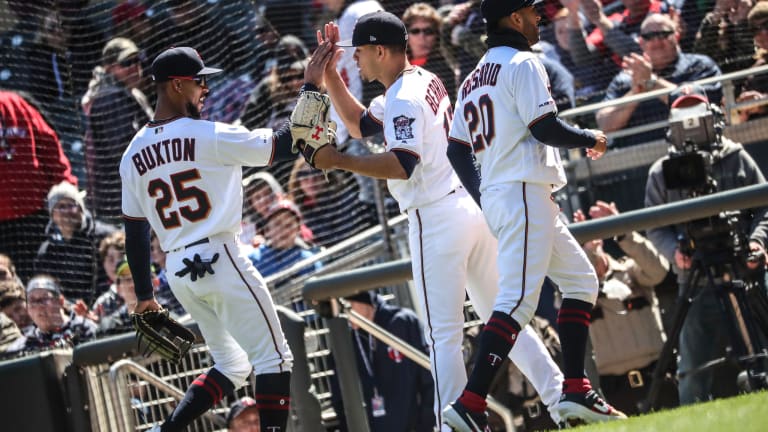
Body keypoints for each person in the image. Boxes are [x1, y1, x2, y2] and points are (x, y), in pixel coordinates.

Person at [306, 11, 567, 429]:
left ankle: (452, 426)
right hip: (467, 210)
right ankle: (560, 398)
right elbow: (359, 125)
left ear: (379, 50)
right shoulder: (420, 81)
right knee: (505, 318)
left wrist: (337, 161)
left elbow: (403, 164)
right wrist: (331, 78)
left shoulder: (404, 96)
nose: (354, 61)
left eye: (358, 54)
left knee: (442, 335)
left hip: (436, 219)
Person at [441, 0, 627, 429]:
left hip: (514, 193)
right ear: (514, 18)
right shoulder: (523, 62)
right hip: (521, 190)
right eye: (532, 11)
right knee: (516, 303)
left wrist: (485, 194)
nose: (540, 17)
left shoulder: (471, 78)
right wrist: (588, 136)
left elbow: (456, 149)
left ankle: (576, 390)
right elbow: (545, 126)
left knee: (581, 281)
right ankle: (470, 403)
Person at [120, 46, 307, 432]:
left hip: (178, 269)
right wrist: (312, 89)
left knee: (234, 365)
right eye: (199, 80)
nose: (205, 87)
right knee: (275, 359)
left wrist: (143, 295)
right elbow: (285, 144)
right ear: (176, 85)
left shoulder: (132, 152)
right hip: (219, 256)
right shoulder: (210, 134)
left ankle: (167, 430)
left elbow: (135, 230)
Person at [644, 83, 768, 405]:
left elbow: (763, 207)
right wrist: (674, 252)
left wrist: (758, 242)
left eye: (695, 113)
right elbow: (654, 226)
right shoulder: (661, 172)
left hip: (746, 267)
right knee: (693, 369)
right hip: (695, 279)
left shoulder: (736, 157)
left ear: (712, 116)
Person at [574, 200, 674, 414]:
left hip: (656, 374)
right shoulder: (577, 289)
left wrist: (622, 229)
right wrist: (581, 253)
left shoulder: (630, 271)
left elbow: (659, 270)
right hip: (612, 388)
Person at [595, 13, 722, 148]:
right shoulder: (625, 78)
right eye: (649, 37)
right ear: (641, 42)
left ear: (676, 36)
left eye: (663, 34)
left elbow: (699, 104)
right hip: (637, 157)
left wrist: (651, 82)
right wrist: (635, 92)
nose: (656, 41)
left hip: (694, 148)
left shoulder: (699, 65)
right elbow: (604, 125)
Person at [0, 90, 78, 282]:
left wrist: (67, 191)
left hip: (35, 217)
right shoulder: (17, 102)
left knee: (44, 277)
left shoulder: (16, 103)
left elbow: (50, 147)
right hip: (21, 220)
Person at [330, 291, 435, 431]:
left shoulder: (403, 322)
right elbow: (338, 395)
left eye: (349, 306)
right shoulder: (346, 337)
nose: (346, 313)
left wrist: (425, 426)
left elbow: (430, 379)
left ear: (365, 302)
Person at [82, 37, 153, 225]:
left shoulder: (125, 93)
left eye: (138, 60)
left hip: (128, 198)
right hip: (121, 201)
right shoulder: (110, 100)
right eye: (126, 63)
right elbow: (126, 152)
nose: (135, 67)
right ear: (109, 68)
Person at [33, 181, 99, 304]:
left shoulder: (98, 238)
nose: (67, 211)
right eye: (61, 207)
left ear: (81, 209)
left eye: (71, 205)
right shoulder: (46, 251)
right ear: (52, 214)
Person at [6, 274, 98, 354]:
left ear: (60, 301)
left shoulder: (84, 328)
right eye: (32, 301)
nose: (38, 306)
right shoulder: (24, 344)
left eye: (44, 299)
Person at [248, 199, 322, 281]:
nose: (284, 230)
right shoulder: (253, 260)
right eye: (277, 224)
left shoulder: (309, 260)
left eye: (289, 225)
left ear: (298, 230)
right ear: (267, 231)